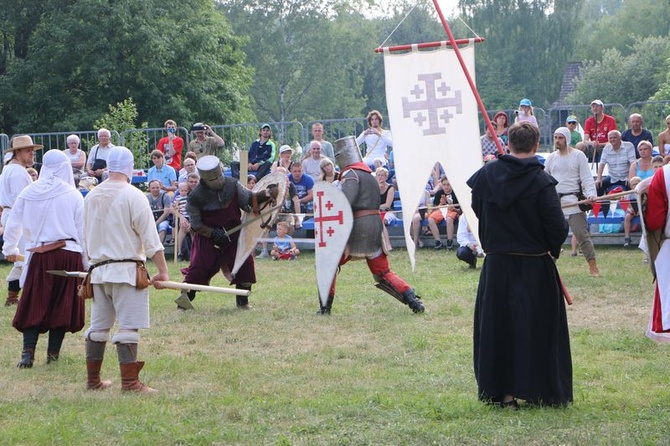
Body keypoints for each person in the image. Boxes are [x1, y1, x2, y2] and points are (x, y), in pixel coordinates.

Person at [468, 122, 571, 408]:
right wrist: (548, 244)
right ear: (536, 145)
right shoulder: (541, 181)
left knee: (500, 328)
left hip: (499, 265)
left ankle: (504, 393)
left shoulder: (487, 176)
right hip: (533, 267)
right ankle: (537, 389)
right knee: (534, 328)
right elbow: (556, 229)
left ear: (508, 142)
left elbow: (479, 210)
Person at [83, 146, 169, 393]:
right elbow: (151, 239)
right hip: (126, 273)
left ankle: (93, 381)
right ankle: (130, 384)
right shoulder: (134, 195)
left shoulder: (90, 196)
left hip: (98, 273)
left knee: (99, 327)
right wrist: (163, 271)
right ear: (130, 168)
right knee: (128, 327)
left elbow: (85, 237)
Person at [317, 137, 424, 315]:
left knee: (329, 262)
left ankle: (325, 307)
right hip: (375, 225)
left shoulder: (351, 174)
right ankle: (413, 300)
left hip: (359, 227)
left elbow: (346, 202)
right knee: (382, 271)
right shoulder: (369, 174)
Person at [2, 150, 86, 368]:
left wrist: (9, 247)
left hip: (42, 256)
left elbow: (13, 223)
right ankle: (51, 355)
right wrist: (87, 263)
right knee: (62, 304)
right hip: (69, 255)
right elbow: (83, 232)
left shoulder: (29, 192)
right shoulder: (73, 195)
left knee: (34, 302)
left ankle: (28, 354)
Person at [177, 155, 278, 310]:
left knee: (245, 265)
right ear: (205, 179)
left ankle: (242, 302)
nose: (218, 180)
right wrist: (212, 233)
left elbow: (249, 199)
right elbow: (196, 224)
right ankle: (184, 302)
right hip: (207, 238)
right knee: (198, 269)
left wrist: (266, 194)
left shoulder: (232, 184)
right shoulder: (195, 196)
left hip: (233, 235)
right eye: (214, 179)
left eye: (219, 176)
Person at [544, 127, 600, 277]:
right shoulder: (551, 158)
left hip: (574, 202)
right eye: (555, 137)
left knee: (582, 235)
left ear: (567, 139)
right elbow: (544, 180)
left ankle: (593, 267)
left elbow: (587, 178)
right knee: (552, 237)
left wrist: (591, 195)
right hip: (556, 204)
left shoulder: (578, 156)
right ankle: (548, 269)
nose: (557, 141)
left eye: (560, 138)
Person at [0, 135, 42, 306]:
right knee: (26, 258)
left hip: (13, 216)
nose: (32, 153)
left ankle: (13, 297)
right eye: (28, 150)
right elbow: (21, 201)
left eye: (32, 150)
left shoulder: (10, 169)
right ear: (17, 152)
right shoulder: (17, 172)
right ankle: (27, 299)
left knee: (22, 259)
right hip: (18, 217)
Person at [596, 130, 636, 216]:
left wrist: (630, 177)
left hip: (625, 176)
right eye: (610, 138)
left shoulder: (628, 146)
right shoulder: (607, 148)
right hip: (612, 176)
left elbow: (633, 163)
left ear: (619, 138)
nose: (612, 140)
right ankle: (598, 209)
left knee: (632, 186)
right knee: (597, 185)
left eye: (614, 137)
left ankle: (632, 210)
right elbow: (602, 164)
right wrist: (599, 178)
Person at [146, 179, 172, 244]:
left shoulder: (166, 197)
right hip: (150, 219)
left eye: (157, 187)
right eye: (153, 188)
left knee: (162, 228)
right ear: (149, 188)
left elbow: (166, 213)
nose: (155, 189)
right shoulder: (146, 198)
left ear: (160, 187)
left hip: (163, 220)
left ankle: (159, 249)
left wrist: (156, 223)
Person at [623, 176, 642, 248]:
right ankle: (627, 237)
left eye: (637, 183)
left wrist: (640, 210)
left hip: (642, 210)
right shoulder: (629, 194)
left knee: (646, 216)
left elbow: (646, 202)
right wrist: (630, 209)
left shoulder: (643, 192)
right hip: (633, 211)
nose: (636, 185)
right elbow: (627, 205)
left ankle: (645, 235)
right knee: (627, 217)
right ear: (630, 186)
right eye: (634, 184)